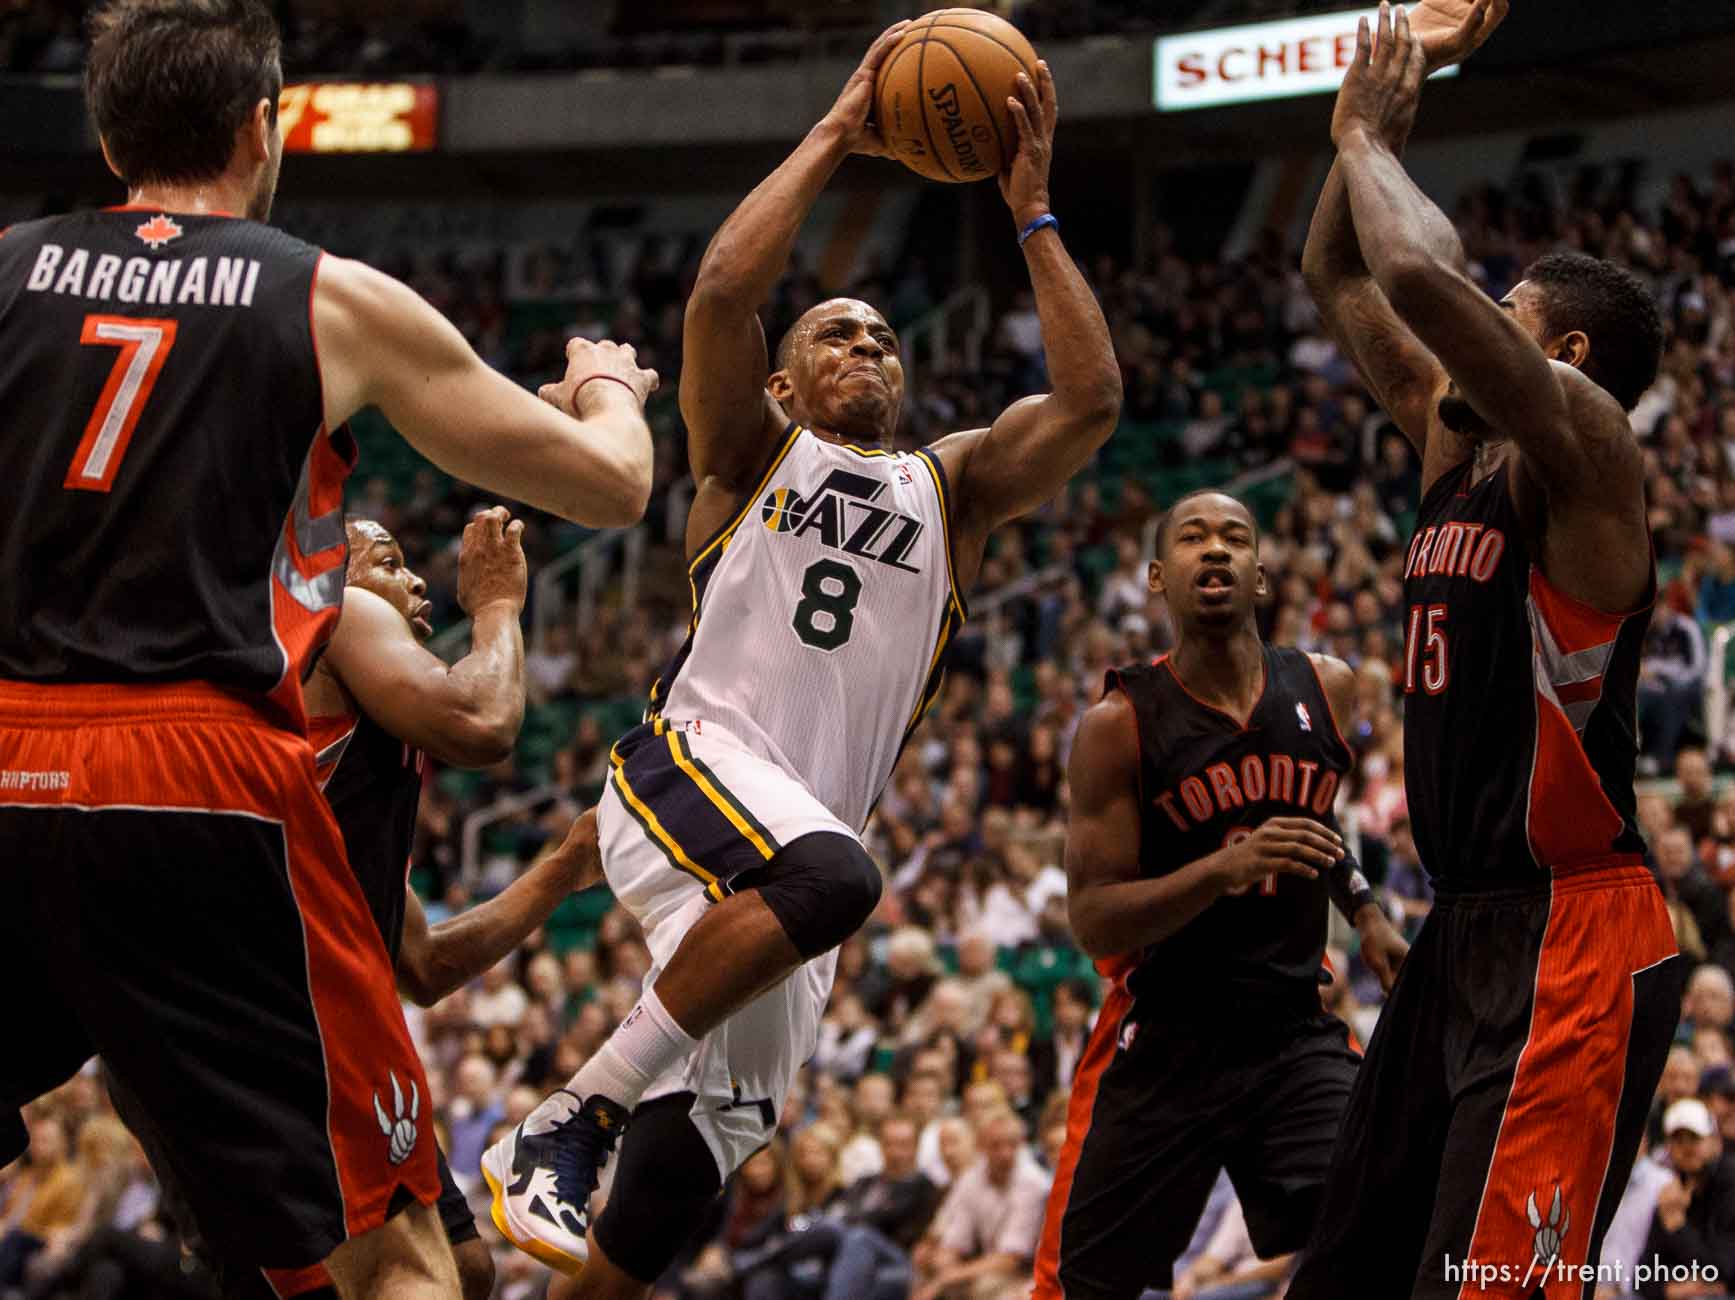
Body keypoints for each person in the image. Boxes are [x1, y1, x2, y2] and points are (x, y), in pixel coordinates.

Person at [0, 2, 654, 1295]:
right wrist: (608, 390)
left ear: (104, 125)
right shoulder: (326, 299)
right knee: (393, 1250)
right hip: (197, 773)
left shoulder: (6, 269)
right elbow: (608, 491)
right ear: (263, 124)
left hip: (7, 753)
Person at [484, 20, 1120, 1294]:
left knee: (678, 1183)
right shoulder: (748, 457)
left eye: (882, 338)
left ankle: (594, 1163)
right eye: (834, 334)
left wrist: (1033, 210)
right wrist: (840, 126)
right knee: (841, 872)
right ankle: (570, 1111)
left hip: (789, 871)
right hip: (693, 775)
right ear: (780, 385)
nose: (868, 350)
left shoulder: (957, 487)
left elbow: (1093, 399)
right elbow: (721, 294)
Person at [1291, 4, 1677, 1295]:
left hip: (1573, 930)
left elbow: (1411, 277)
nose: (1457, 334)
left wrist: (1365, 134)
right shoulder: (1458, 449)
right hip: (1460, 926)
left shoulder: (1586, 459)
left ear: (1557, 359)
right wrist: (1382, 99)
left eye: (1494, 315)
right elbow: (1339, 278)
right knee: (1343, 1273)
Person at [110, 511, 606, 1300]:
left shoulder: (349, 778)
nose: (414, 583)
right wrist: (498, 606)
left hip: (299, 1017)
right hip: (266, 1021)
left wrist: (561, 869)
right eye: (390, 561)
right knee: (374, 1279)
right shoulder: (329, 614)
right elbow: (482, 720)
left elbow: (423, 965)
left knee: (462, 1267)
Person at [1033, 490, 1408, 1300]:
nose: (1216, 551)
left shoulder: (1326, 687)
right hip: (1167, 1037)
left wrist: (1367, 912)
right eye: (1194, 539)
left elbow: (1313, 823)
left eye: (1234, 539)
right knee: (1083, 1286)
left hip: (1288, 1031)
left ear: (1261, 576)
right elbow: (1092, 916)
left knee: (1384, 1227)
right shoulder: (1116, 723)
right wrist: (1218, 874)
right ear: (1156, 579)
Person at [1639, 1099, 1735, 1298]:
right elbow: (1643, 1274)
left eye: (1694, 1138)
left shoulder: (1730, 1186)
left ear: (1715, 1141)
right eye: (1678, 1139)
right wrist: (1669, 1290)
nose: (1686, 1148)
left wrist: (1678, 1226)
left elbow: (1723, 1270)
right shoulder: (1672, 1189)